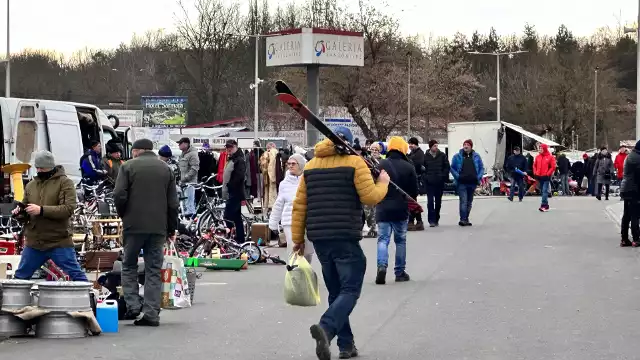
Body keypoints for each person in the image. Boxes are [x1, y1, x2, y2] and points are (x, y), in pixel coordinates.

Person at [290, 126, 389, 360]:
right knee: (350, 289)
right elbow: (370, 197)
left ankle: (346, 346)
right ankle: (326, 327)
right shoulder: (355, 163)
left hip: (320, 238)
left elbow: (299, 206)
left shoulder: (311, 166)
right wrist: (383, 182)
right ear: (349, 143)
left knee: (336, 292)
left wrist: (297, 240)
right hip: (345, 235)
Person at [114, 139, 178, 327]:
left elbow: (119, 194)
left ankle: (133, 306)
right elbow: (173, 203)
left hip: (133, 226)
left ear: (136, 151)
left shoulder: (128, 167)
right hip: (158, 227)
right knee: (153, 270)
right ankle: (151, 312)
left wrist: (124, 214)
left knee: (129, 265)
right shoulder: (166, 169)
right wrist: (171, 228)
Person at [12, 151, 87, 281]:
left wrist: (41, 210)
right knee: (20, 278)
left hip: (58, 241)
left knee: (77, 276)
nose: (39, 170)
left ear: (51, 166)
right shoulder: (31, 185)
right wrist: (19, 213)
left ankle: (88, 299)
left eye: (42, 168)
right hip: (35, 242)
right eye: (37, 168)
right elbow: (26, 210)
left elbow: (68, 209)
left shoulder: (65, 183)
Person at [375, 137, 417, 285]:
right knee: (400, 240)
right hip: (401, 208)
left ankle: (381, 266)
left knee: (383, 239)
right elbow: (414, 191)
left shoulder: (381, 164)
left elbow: (374, 184)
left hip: (383, 207)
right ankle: (399, 272)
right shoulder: (409, 166)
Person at [268, 153, 313, 261]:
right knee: (294, 249)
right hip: (289, 221)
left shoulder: (309, 181)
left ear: (301, 165)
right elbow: (278, 204)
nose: (290, 166)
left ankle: (304, 273)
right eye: (289, 164)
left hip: (306, 221)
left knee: (307, 252)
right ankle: (293, 274)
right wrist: (273, 223)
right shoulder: (284, 183)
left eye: (293, 163)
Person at [450, 139, 484, 226]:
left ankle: (466, 218)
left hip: (472, 182)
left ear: (471, 146)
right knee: (463, 201)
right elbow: (452, 168)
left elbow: (481, 168)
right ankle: (463, 219)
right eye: (464, 144)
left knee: (469, 202)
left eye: (468, 145)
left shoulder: (476, 156)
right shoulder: (457, 157)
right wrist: (458, 177)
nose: (465, 146)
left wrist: (478, 177)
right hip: (462, 183)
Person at [221, 139, 247, 243]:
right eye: (227, 148)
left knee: (228, 216)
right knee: (236, 217)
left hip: (235, 192)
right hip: (233, 192)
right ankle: (239, 238)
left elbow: (240, 177)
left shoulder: (239, 159)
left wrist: (229, 185)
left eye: (231, 147)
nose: (229, 149)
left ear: (236, 146)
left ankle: (229, 237)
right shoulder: (232, 158)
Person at [422, 139, 450, 227]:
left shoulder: (442, 155)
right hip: (429, 182)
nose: (436, 147)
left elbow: (447, 167)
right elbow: (422, 168)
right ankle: (431, 220)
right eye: (434, 146)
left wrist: (443, 176)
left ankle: (436, 217)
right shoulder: (425, 156)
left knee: (438, 202)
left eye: (437, 146)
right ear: (430, 147)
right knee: (430, 202)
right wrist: (425, 177)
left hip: (439, 182)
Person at [620, 141, 640, 247]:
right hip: (634, 190)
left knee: (627, 214)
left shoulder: (630, 156)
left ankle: (624, 238)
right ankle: (636, 239)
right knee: (635, 215)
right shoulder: (638, 158)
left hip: (626, 188)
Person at [177, 137, 200, 217]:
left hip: (190, 183)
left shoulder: (193, 154)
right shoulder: (183, 154)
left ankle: (191, 220)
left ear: (186, 144)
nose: (178, 145)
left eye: (180, 143)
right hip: (183, 182)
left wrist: (185, 178)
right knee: (185, 202)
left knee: (189, 203)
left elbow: (195, 168)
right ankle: (187, 219)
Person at [407, 137, 425, 230]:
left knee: (412, 201)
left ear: (416, 144)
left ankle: (411, 221)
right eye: (409, 144)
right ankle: (419, 221)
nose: (410, 145)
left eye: (412, 144)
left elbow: (416, 165)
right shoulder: (412, 153)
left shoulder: (419, 154)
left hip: (415, 180)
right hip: (412, 180)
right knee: (413, 201)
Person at [533, 144, 556, 212]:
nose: (539, 150)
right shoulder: (537, 157)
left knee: (544, 190)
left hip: (546, 176)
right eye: (539, 148)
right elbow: (534, 165)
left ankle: (544, 205)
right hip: (539, 176)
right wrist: (535, 173)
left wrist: (548, 173)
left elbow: (553, 167)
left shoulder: (550, 157)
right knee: (542, 191)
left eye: (541, 148)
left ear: (545, 149)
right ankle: (546, 205)